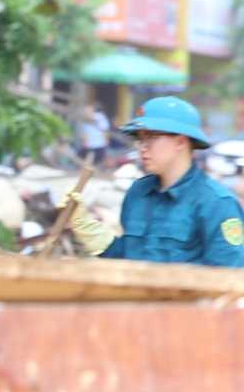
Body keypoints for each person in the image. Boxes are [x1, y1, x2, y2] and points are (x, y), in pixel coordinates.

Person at [69, 96, 244, 267]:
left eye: (151, 137)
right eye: (140, 139)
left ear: (180, 141)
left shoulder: (216, 203)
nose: (142, 147)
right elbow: (128, 261)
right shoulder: (138, 192)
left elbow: (228, 277)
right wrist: (91, 231)